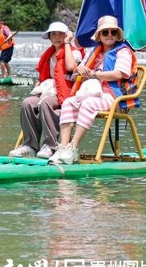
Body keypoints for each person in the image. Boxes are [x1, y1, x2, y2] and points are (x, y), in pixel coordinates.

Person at [49, 15, 138, 165]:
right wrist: (80, 68)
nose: (109, 35)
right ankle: (63, 147)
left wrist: (95, 74)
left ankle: (73, 147)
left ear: (117, 35)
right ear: (99, 35)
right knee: (69, 102)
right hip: (91, 92)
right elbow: (77, 72)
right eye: (105, 32)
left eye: (113, 32)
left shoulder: (123, 52)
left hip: (114, 96)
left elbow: (120, 73)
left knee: (89, 103)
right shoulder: (93, 52)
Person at [9, 21, 83, 159]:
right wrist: (37, 88)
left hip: (67, 93)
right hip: (49, 90)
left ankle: (50, 145)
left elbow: (71, 67)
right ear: (49, 37)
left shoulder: (74, 52)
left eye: (60, 34)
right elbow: (44, 77)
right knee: (28, 103)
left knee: (46, 103)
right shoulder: (48, 55)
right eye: (53, 34)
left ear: (66, 35)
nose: (57, 37)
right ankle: (30, 145)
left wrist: (67, 43)